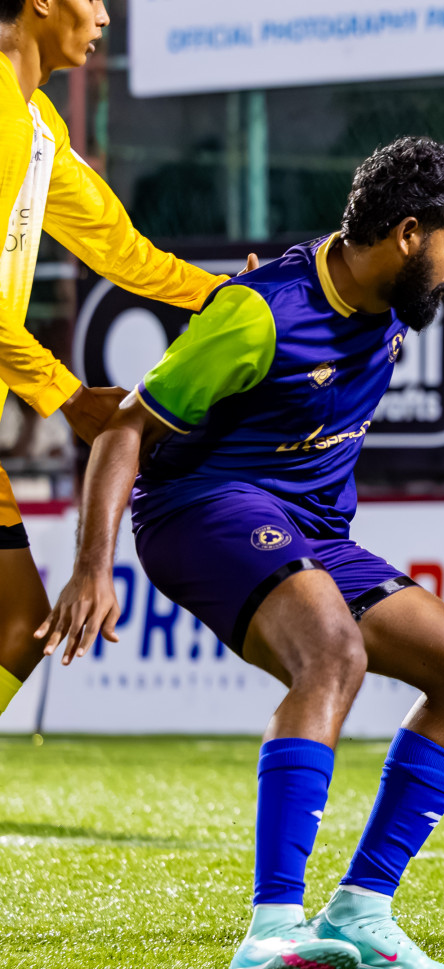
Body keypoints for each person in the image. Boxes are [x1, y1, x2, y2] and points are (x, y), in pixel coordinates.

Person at [35, 137, 444, 969]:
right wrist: (91, 567)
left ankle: (362, 913)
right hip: (202, 510)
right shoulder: (261, 313)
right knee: (331, 653)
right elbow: (124, 428)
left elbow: (427, 281)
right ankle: (271, 928)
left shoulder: (393, 284)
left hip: (309, 526)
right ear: (406, 233)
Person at [0, 0, 250, 714]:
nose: (105, 15)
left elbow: (120, 249)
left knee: (18, 632)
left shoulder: (38, 122)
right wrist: (66, 394)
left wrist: (230, 297)